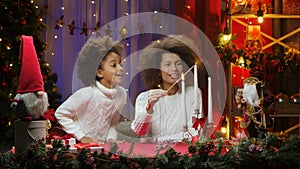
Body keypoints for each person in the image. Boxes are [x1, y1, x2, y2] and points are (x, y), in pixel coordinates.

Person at [55, 35, 127, 144]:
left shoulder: (121, 94)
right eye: (114, 65)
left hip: (100, 149)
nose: (120, 68)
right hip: (80, 149)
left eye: (120, 64)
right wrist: (82, 137)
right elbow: (60, 113)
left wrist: (111, 140)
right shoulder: (87, 93)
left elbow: (113, 123)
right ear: (99, 72)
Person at [131, 35, 203, 142]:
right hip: (154, 156)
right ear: (158, 70)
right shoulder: (144, 97)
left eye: (178, 64)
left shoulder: (193, 93)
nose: (174, 69)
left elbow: (193, 132)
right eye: (167, 64)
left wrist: (155, 140)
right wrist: (149, 110)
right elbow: (139, 132)